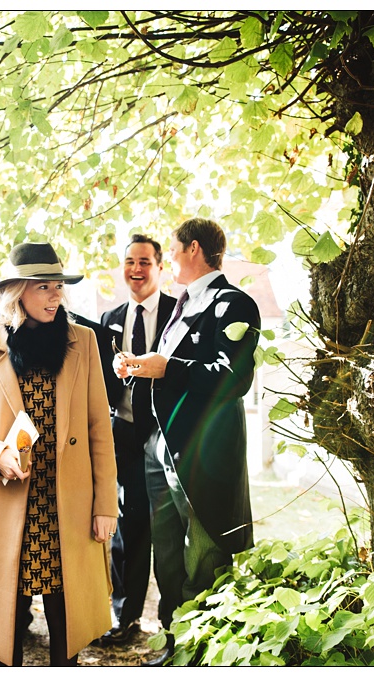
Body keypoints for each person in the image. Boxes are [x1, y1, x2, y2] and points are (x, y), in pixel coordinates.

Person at [0, 242, 117, 666]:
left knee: (68, 620)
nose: (55, 295)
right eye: (43, 286)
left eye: (58, 285)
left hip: (68, 504)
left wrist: (106, 505)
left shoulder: (85, 342)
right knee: (6, 627)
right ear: (17, 292)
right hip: (9, 500)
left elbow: (100, 429)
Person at [117, 219, 260, 664]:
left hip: (202, 456)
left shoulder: (234, 304)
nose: (169, 259)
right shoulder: (182, 305)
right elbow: (170, 369)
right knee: (169, 558)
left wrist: (165, 367)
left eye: (174, 249)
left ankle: (204, 653)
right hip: (160, 451)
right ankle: (175, 645)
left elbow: (233, 378)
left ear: (194, 249)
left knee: (204, 556)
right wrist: (141, 365)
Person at [89, 234, 178, 649]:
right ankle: (124, 618)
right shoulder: (109, 318)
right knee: (128, 527)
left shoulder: (179, 314)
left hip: (166, 435)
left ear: (160, 267)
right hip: (123, 432)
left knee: (170, 528)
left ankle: (175, 618)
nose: (136, 270)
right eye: (129, 261)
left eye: (144, 261)